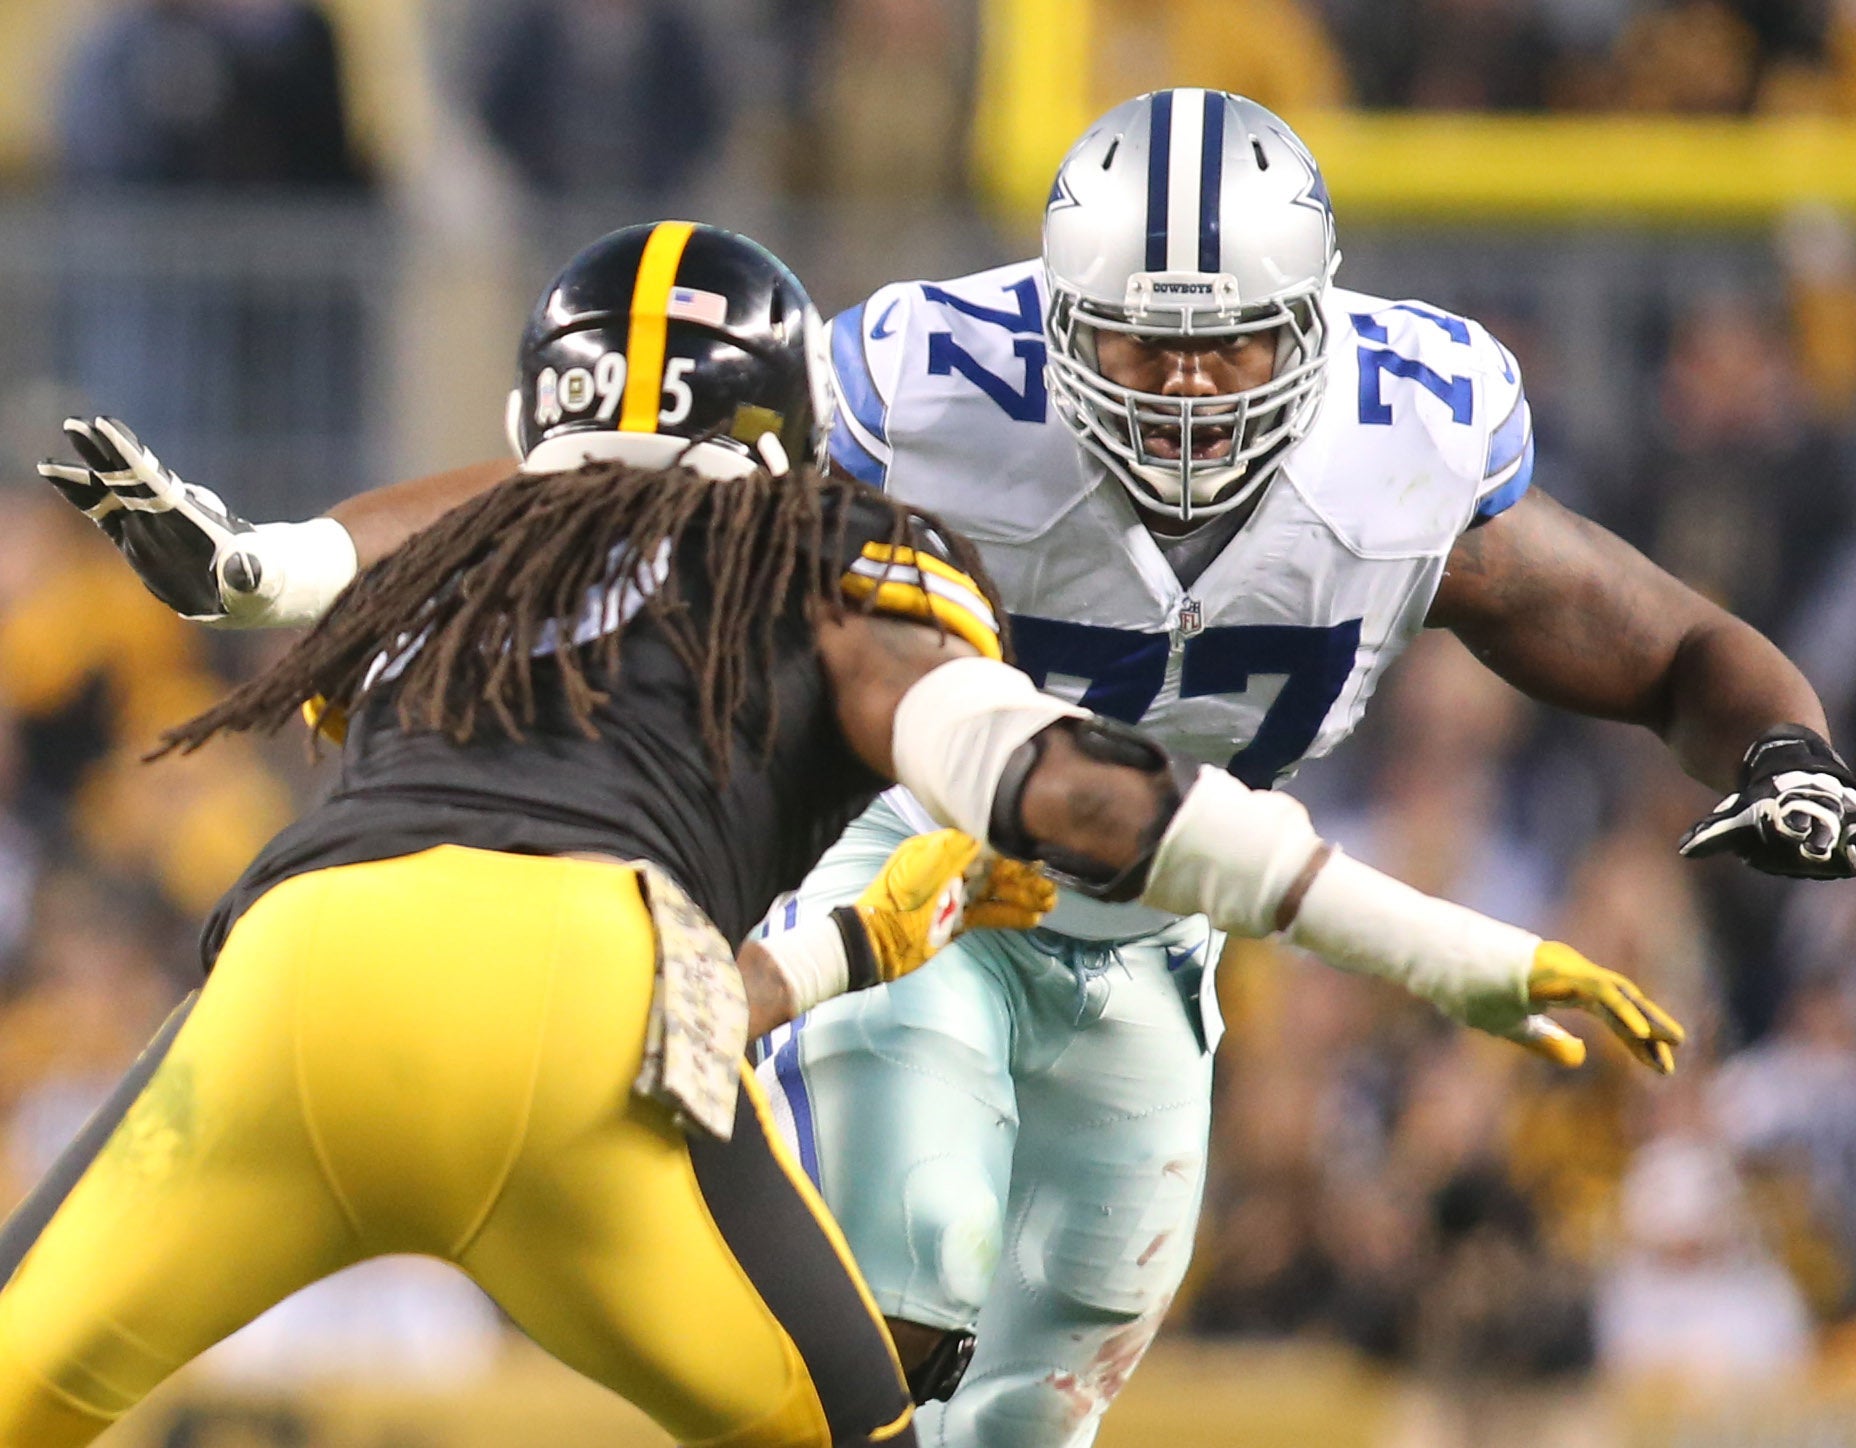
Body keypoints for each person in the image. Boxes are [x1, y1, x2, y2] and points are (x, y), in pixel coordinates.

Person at [32, 138, 1728, 1442]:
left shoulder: (465, 559)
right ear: (801, 427)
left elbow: (413, 539)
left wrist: (261, 560)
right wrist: (1460, 958)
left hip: (283, 978)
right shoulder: (836, 550)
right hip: (570, 1001)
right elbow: (1094, 798)